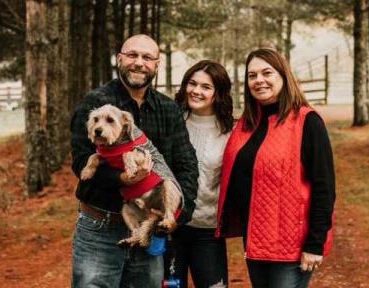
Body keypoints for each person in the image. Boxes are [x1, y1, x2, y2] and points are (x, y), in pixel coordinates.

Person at [70, 34, 199, 288]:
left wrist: (175, 215)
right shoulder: (95, 103)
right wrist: (121, 178)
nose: (139, 63)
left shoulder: (168, 109)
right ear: (119, 59)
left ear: (156, 64)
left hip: (149, 228)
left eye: (147, 57)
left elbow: (186, 165)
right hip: (100, 228)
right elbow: (81, 161)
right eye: (132, 55)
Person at [215, 48, 335, 288]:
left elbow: (325, 188)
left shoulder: (307, 122)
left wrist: (315, 244)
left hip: (291, 245)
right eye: (252, 75)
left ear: (283, 75)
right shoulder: (246, 126)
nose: (259, 80)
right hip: (256, 240)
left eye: (266, 72)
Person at [171, 60, 234, 288]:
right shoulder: (171, 121)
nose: (196, 91)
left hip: (208, 231)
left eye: (206, 87)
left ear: (218, 93)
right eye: (192, 83)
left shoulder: (230, 132)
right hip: (170, 227)